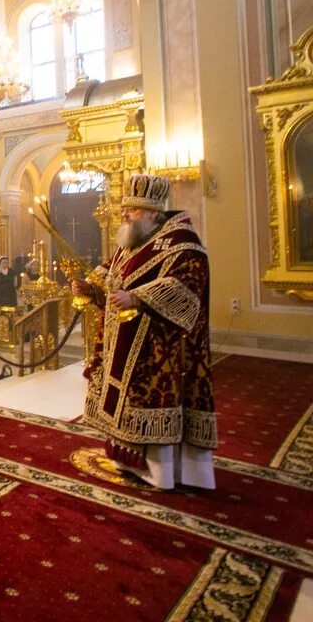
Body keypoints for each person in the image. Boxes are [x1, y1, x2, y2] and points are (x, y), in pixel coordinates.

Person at [72, 174, 215, 490]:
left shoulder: (182, 245)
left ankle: (162, 472)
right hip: (123, 342)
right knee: (125, 404)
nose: (125, 214)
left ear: (153, 213)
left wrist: (137, 298)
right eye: (125, 208)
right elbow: (109, 280)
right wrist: (88, 287)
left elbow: (187, 291)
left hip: (157, 350)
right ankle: (126, 460)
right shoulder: (132, 242)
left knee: (146, 402)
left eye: (133, 210)